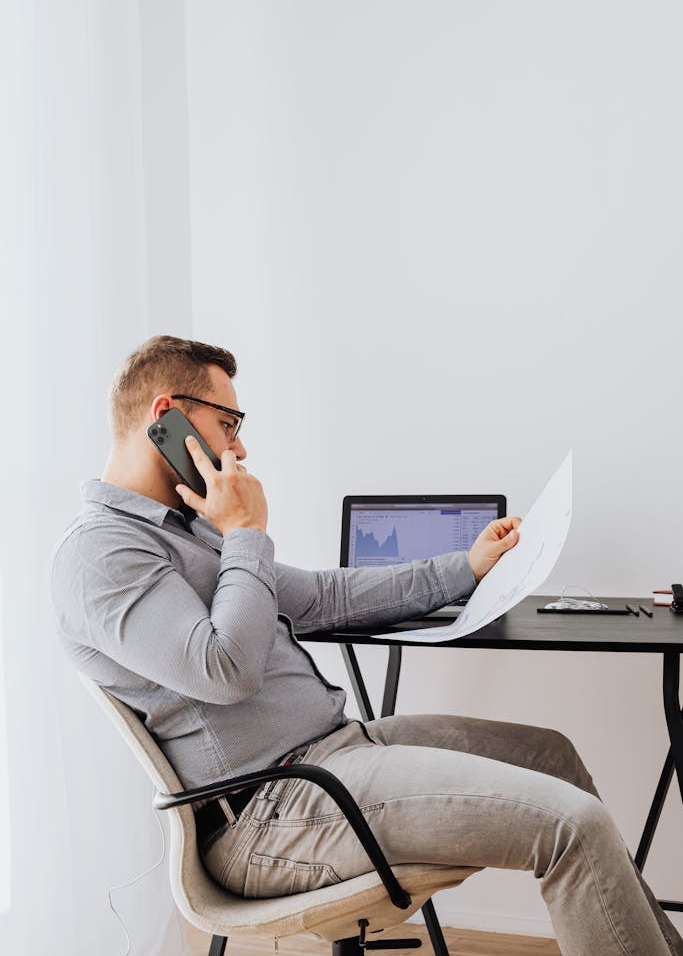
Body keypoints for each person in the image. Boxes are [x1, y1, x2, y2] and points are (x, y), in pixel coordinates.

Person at [51, 335, 683, 956]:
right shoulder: (101, 553)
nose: (240, 446)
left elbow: (325, 598)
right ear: (167, 415)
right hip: (270, 813)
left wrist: (467, 567)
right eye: (228, 421)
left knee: (552, 755)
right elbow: (225, 671)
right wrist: (244, 531)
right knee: (574, 826)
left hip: (332, 757)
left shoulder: (190, 533)